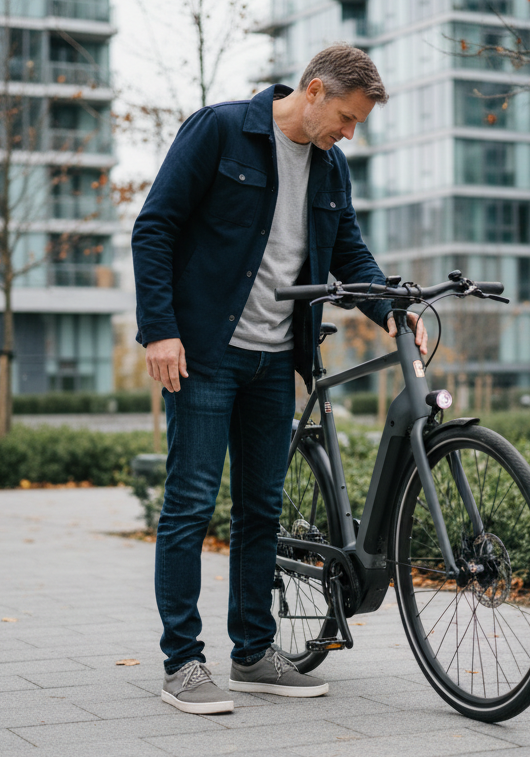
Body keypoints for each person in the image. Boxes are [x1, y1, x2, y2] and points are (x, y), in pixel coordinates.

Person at [131, 45, 427, 715]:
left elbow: (348, 250)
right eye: (347, 118)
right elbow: (155, 227)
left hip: (274, 359)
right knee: (190, 504)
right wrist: (159, 328)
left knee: (260, 508)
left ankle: (252, 656)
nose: (349, 133)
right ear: (315, 91)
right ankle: (182, 663)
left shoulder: (331, 168)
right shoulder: (221, 130)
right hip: (203, 352)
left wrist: (388, 311)